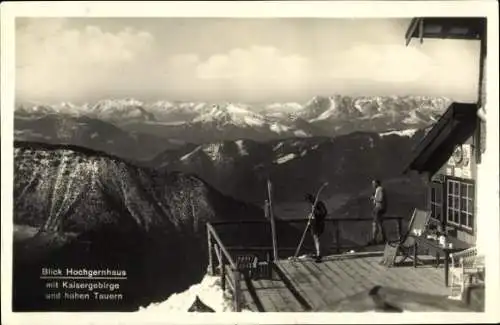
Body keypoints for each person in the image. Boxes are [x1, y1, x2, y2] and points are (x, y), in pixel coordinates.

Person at [305, 193, 328, 263]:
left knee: (317, 238)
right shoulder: (312, 205)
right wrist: (310, 218)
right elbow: (312, 214)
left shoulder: (319, 204)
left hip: (318, 224)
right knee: (315, 239)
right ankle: (317, 253)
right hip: (313, 224)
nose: (309, 202)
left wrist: (316, 212)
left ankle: (319, 255)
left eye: (310, 200)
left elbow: (324, 213)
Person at [370, 179, 387, 245]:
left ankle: (374, 239)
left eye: (374, 183)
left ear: (377, 183)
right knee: (380, 224)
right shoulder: (380, 189)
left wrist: (373, 198)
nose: (373, 185)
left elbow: (380, 199)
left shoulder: (379, 189)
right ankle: (384, 239)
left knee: (375, 224)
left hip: (378, 208)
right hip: (380, 208)